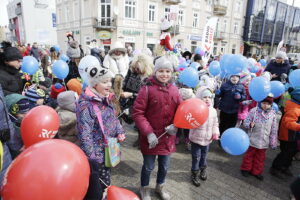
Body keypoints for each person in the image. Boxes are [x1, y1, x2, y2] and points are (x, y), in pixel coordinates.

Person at [132, 56, 182, 200]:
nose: (164, 74)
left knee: (164, 166)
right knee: (148, 166)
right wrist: (148, 133)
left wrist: (176, 125)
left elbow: (182, 111)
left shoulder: (174, 90)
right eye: (161, 71)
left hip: (167, 139)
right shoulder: (146, 89)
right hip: (151, 139)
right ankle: (145, 188)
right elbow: (138, 113)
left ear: (171, 72)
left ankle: (160, 187)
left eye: (167, 71)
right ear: (155, 71)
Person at [76, 61, 125, 199]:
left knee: (107, 178)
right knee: (98, 185)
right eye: (104, 82)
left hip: (109, 147)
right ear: (94, 84)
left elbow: (113, 118)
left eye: (109, 81)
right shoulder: (86, 105)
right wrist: (92, 158)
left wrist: (120, 131)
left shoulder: (105, 99)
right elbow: (84, 134)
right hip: (97, 155)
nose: (109, 85)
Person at [240, 95, 278, 181]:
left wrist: (273, 142)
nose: (265, 105)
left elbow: (274, 129)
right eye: (264, 103)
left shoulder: (273, 115)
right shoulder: (254, 111)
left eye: (268, 104)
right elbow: (246, 122)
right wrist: (249, 125)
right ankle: (246, 169)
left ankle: (256, 172)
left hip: (264, 142)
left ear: (271, 105)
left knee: (260, 158)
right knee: (249, 156)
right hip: (252, 140)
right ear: (260, 103)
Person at [189, 86, 219, 187]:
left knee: (204, 156)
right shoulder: (195, 109)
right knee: (196, 157)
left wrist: (215, 133)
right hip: (196, 139)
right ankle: (194, 173)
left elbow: (215, 124)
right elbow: (190, 123)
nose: (207, 99)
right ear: (199, 98)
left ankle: (203, 169)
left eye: (209, 97)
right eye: (204, 97)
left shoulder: (213, 111)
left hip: (207, 139)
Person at [270, 87, 300, 178]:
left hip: (293, 136)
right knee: (285, 153)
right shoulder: (295, 110)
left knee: (291, 152)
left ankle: (285, 166)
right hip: (287, 136)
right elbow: (288, 123)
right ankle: (275, 168)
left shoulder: (297, 107)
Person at [5, 93, 31, 158]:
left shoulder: (26, 120)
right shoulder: (7, 125)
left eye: (28, 112)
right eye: (22, 113)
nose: (26, 115)